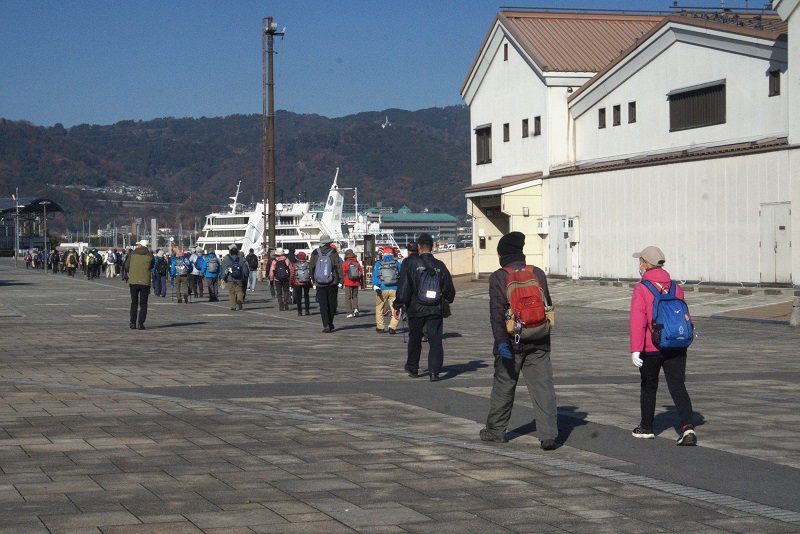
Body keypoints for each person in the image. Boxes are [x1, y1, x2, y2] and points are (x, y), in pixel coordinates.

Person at [479, 231, 558, 450]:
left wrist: (501, 342)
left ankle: (496, 431)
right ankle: (548, 436)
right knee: (543, 389)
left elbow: (496, 313)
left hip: (511, 342)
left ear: (502, 255)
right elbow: (547, 305)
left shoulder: (499, 277)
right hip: (539, 340)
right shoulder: (537, 273)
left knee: (504, 387)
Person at [630, 246, 697, 446]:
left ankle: (646, 428)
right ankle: (687, 427)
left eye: (640, 261)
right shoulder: (676, 287)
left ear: (645, 264)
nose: (639, 265)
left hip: (651, 346)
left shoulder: (642, 288)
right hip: (677, 344)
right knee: (677, 386)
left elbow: (638, 321)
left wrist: (636, 349)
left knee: (649, 386)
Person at [392, 233, 455, 381]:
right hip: (435, 308)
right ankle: (434, 371)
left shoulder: (412, 264)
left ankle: (413, 367)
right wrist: (446, 299)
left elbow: (404, 288)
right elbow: (449, 290)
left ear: (419, 247)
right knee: (435, 340)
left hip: (416, 308)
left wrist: (398, 304)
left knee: (415, 338)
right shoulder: (440, 265)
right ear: (432, 247)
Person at [310, 234, 344, 333]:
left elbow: (311, 267)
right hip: (332, 282)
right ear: (328, 243)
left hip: (319, 282)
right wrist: (341, 280)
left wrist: (313, 279)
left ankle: (326, 325)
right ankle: (330, 322)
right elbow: (338, 267)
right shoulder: (333, 252)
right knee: (332, 304)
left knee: (323, 305)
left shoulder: (315, 253)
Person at [125, 240, 155, 330]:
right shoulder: (150, 255)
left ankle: (132, 323)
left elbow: (126, 266)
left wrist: (131, 271)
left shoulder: (132, 254)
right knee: (143, 303)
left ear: (140, 245)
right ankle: (141, 323)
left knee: (134, 302)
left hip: (133, 281)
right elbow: (152, 266)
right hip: (145, 281)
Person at [373, 248, 402, 333]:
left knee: (379, 308)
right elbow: (401, 275)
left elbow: (375, 275)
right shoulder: (396, 263)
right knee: (396, 308)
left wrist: (376, 286)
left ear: (383, 254)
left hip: (382, 289)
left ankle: (380, 327)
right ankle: (392, 327)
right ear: (392, 254)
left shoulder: (379, 263)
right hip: (394, 289)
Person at [221, 245, 250, 310]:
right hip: (239, 278)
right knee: (239, 291)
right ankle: (239, 300)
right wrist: (246, 275)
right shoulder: (240, 259)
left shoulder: (228, 260)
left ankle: (233, 306)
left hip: (230, 278)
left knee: (232, 292)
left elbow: (225, 269)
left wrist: (223, 277)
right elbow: (245, 269)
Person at [342, 249, 363, 318]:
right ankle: (355, 309)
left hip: (348, 282)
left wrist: (342, 281)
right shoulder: (357, 263)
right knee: (355, 296)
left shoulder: (345, 263)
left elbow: (343, 273)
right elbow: (361, 272)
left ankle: (349, 312)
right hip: (356, 282)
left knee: (348, 297)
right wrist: (361, 282)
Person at [292, 251, 312, 316]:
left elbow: (292, 274)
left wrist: (291, 283)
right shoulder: (308, 264)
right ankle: (307, 310)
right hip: (306, 282)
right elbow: (311, 273)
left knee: (299, 297)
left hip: (298, 283)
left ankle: (299, 311)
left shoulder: (295, 265)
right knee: (306, 296)